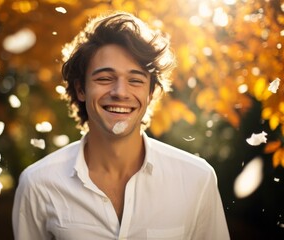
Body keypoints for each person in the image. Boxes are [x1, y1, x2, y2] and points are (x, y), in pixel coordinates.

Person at [12, 11, 230, 240]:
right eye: (105, 78)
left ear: (151, 92)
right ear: (81, 90)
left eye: (135, 80)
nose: (120, 92)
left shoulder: (197, 179)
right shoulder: (38, 184)